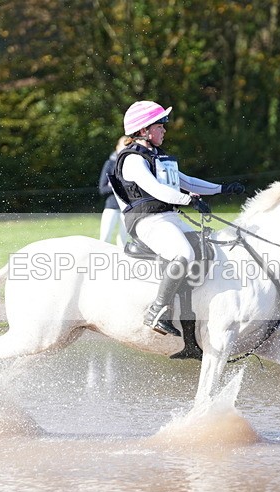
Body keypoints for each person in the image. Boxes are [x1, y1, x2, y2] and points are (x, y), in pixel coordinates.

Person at [109, 100, 244, 336]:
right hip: (147, 222)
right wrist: (189, 200)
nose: (164, 129)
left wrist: (223, 189)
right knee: (184, 253)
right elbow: (156, 190)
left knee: (210, 245)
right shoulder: (132, 159)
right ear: (143, 130)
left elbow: (189, 182)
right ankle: (157, 310)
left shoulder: (159, 157)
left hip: (168, 217)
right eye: (159, 125)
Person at [98, 136, 129, 245]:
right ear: (117, 147)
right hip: (112, 207)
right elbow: (102, 189)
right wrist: (118, 186)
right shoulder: (109, 164)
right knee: (105, 238)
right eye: (123, 146)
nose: (125, 149)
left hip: (126, 208)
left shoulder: (132, 164)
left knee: (123, 241)